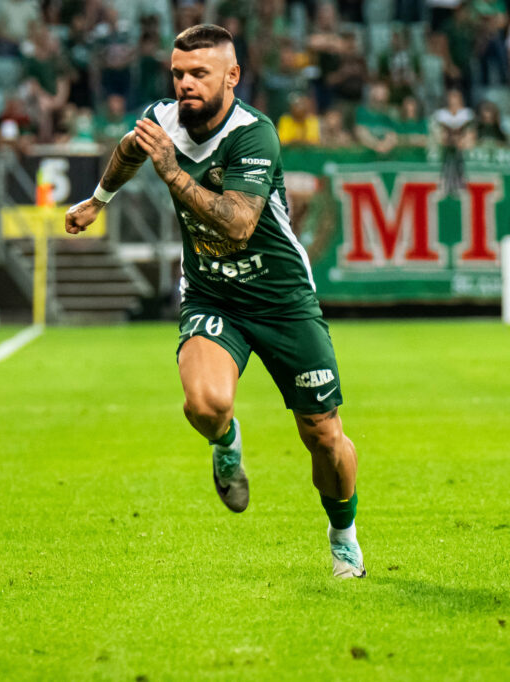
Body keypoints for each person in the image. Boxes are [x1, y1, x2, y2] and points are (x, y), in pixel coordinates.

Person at [65, 24, 365, 579]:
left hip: (281, 299)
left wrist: (172, 171)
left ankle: (342, 536)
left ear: (232, 76)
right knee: (204, 406)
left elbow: (239, 223)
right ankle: (227, 445)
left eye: (199, 73)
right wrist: (98, 199)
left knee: (323, 436)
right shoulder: (162, 119)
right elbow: (129, 149)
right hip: (212, 294)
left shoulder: (254, 134)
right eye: (178, 73)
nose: (185, 84)